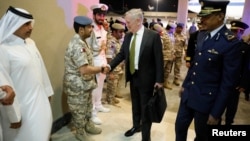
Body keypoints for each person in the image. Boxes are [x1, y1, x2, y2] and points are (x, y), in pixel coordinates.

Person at [175, 1, 241, 141]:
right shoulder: (202, 35)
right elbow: (195, 65)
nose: (202, 20)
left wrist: (216, 112)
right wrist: (185, 84)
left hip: (206, 102)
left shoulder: (230, 43)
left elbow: (227, 83)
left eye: (207, 16)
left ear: (220, 16)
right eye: (201, 16)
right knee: (179, 128)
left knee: (202, 136)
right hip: (189, 94)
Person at [105, 8, 164, 141]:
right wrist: (110, 66)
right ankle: (136, 126)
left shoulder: (152, 36)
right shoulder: (128, 36)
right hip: (133, 77)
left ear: (138, 21)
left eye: (128, 22)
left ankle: (146, 137)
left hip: (147, 80)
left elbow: (158, 59)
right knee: (135, 105)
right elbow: (121, 54)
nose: (126, 25)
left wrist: (159, 80)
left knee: (146, 109)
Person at [0, 6, 54, 141]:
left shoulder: (30, 43)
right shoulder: (3, 49)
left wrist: (48, 94)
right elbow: (5, 87)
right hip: (23, 111)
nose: (31, 28)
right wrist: (13, 116)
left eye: (30, 23)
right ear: (13, 23)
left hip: (41, 105)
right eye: (26, 24)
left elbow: (42, 70)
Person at [63, 16, 104, 141]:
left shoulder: (83, 42)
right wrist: (101, 69)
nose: (91, 29)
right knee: (79, 110)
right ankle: (80, 131)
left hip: (84, 84)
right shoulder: (77, 45)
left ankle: (88, 125)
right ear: (81, 29)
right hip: (77, 86)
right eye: (89, 27)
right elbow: (84, 69)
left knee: (87, 107)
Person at [220, 20, 249, 125]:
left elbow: (247, 67)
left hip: (235, 82)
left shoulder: (245, 48)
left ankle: (228, 123)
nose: (234, 33)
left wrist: (243, 83)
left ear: (241, 32)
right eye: (232, 30)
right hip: (221, 79)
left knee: (231, 106)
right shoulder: (223, 44)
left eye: (236, 31)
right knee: (218, 106)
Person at [86, 3, 110, 125]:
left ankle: (99, 105)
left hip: (102, 61)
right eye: (99, 15)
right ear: (94, 15)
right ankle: (92, 113)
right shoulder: (90, 29)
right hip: (94, 63)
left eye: (103, 15)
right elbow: (87, 48)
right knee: (93, 88)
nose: (102, 17)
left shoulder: (103, 29)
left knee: (100, 86)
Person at [105, 23, 125, 105]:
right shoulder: (111, 42)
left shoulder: (117, 41)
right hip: (113, 69)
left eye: (122, 32)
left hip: (118, 68)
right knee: (111, 85)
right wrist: (110, 72)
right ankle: (110, 100)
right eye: (120, 32)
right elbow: (109, 58)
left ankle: (112, 97)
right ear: (114, 32)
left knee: (114, 85)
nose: (122, 34)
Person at [164, 22, 176, 90]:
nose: (174, 30)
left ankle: (165, 83)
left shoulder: (172, 35)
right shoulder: (163, 34)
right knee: (161, 70)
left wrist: (173, 54)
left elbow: (172, 46)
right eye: (173, 28)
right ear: (170, 28)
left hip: (170, 56)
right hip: (164, 56)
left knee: (167, 71)